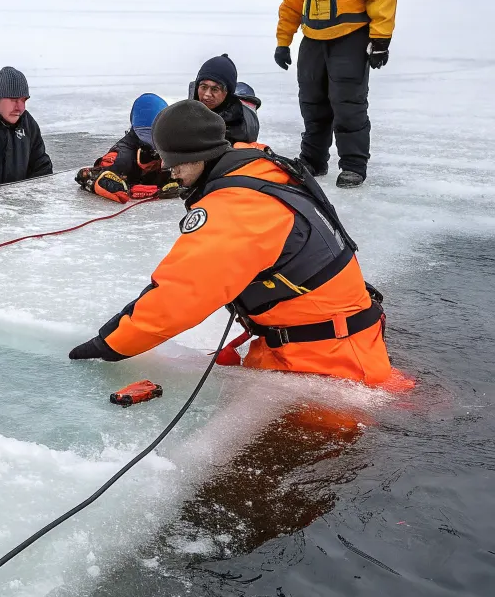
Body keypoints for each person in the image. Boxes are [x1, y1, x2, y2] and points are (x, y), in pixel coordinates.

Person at [67, 100, 393, 387]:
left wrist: (110, 343)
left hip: (332, 364)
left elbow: (181, 294)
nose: (171, 172)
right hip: (326, 339)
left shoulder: (237, 209)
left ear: (199, 156)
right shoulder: (258, 167)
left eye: (176, 162)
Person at [274, 0, 397, 188]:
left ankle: (353, 165)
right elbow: (292, 4)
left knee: (348, 104)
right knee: (312, 103)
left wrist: (380, 40)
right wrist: (283, 41)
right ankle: (313, 160)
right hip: (313, 41)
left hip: (349, 40)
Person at [74, 93, 177, 203]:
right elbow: (87, 176)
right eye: (149, 133)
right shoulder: (121, 158)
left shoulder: (171, 147)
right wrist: (151, 191)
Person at [189, 53, 260, 143]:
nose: (207, 94)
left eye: (215, 89)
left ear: (228, 93)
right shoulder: (188, 111)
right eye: (203, 87)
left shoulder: (239, 129)